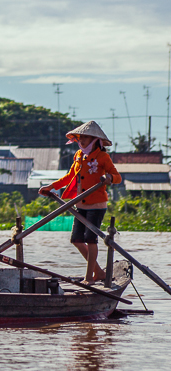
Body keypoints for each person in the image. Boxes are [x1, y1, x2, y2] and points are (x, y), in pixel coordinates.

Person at [38, 120, 121, 284]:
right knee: (76, 239)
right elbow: (69, 177)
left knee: (91, 239)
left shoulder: (102, 157)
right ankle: (98, 272)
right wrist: (51, 187)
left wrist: (108, 178)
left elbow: (117, 177)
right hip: (80, 203)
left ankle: (89, 277)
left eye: (86, 137)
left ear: (95, 140)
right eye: (80, 137)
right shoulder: (78, 155)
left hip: (96, 204)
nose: (81, 140)